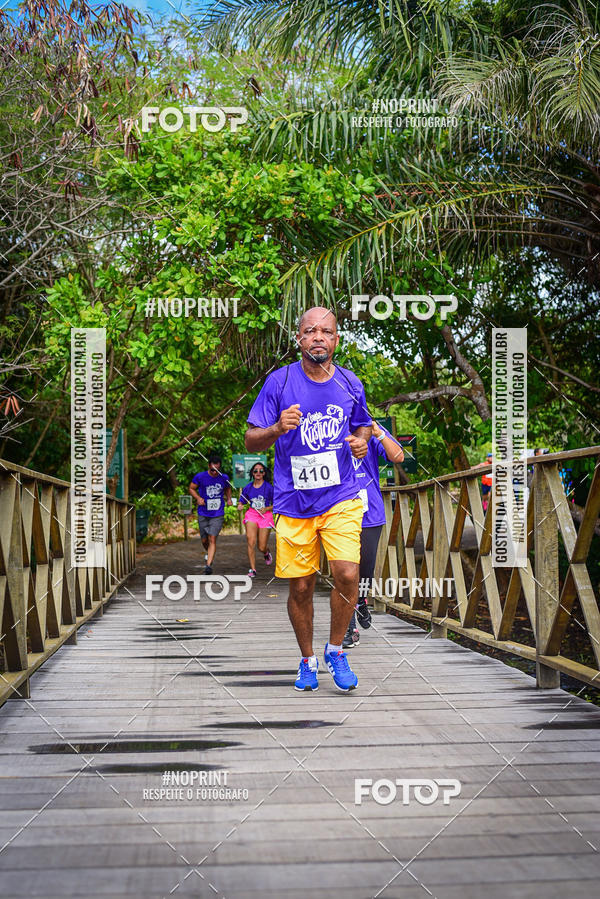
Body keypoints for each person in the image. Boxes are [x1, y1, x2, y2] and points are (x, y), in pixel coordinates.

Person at [245, 306, 372, 693]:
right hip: (293, 501)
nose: (318, 337)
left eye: (326, 331)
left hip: (341, 496)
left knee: (348, 573)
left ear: (336, 340)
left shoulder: (350, 383)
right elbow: (251, 439)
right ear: (298, 339)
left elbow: (363, 424)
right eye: (310, 331)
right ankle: (307, 660)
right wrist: (276, 427)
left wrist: (362, 442)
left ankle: (336, 650)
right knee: (300, 587)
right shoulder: (279, 382)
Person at [343, 419, 405, 648]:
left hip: (369, 513)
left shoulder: (369, 429)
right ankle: (349, 628)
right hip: (338, 512)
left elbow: (398, 457)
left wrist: (378, 432)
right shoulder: (328, 427)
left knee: (365, 569)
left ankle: (360, 600)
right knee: (347, 570)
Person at [189, 454, 233, 574]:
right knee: (204, 540)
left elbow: (228, 488)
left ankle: (208, 566)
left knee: (212, 538)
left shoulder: (224, 477)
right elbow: (191, 488)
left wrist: (229, 498)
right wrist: (198, 498)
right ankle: (209, 552)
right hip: (203, 511)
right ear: (209, 466)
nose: (215, 473)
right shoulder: (200, 477)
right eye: (213, 470)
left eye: (217, 470)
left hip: (218, 512)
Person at [237, 462, 275, 577]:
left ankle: (266, 552)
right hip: (252, 515)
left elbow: (278, 503)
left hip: (265, 515)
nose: (258, 473)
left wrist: (267, 508)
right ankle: (253, 570)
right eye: (256, 471)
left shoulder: (269, 487)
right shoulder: (248, 487)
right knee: (251, 541)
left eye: (261, 471)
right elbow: (241, 501)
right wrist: (240, 505)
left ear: (264, 473)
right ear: (252, 473)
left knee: (261, 546)